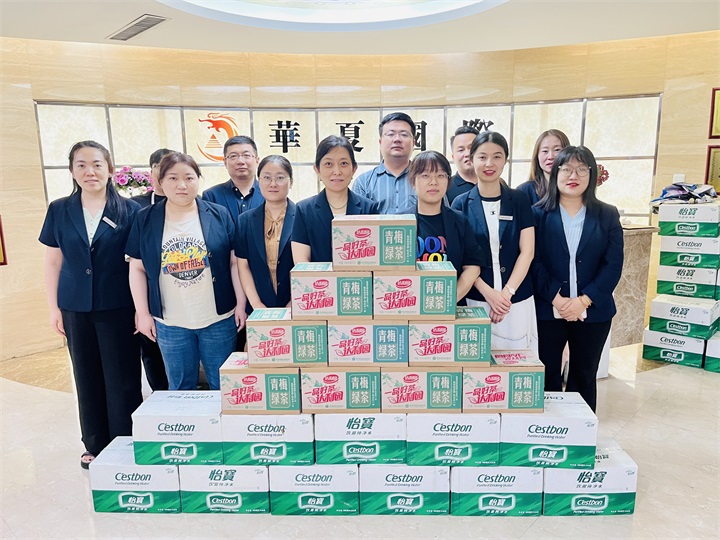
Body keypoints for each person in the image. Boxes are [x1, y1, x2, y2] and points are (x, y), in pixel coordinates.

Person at [40, 140, 142, 470]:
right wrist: (54, 307)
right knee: (85, 376)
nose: (90, 171)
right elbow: (53, 262)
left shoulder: (130, 210)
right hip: (75, 306)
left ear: (110, 170)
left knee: (122, 375)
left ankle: (125, 439)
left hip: (119, 305)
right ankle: (95, 443)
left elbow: (138, 264)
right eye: (81, 165)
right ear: (72, 171)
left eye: (97, 164)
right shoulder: (59, 209)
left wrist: (142, 309)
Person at [126, 152, 247, 391]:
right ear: (160, 181)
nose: (182, 185)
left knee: (224, 387)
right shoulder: (145, 218)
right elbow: (137, 268)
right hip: (170, 323)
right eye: (173, 178)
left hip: (218, 319)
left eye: (189, 178)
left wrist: (241, 304)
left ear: (197, 180)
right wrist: (143, 313)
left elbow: (234, 263)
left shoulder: (218, 214)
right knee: (181, 387)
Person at [532, 146, 623, 412]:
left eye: (582, 169)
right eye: (567, 169)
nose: (574, 176)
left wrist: (583, 300)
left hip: (594, 312)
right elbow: (533, 261)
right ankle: (547, 428)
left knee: (584, 374)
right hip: (548, 310)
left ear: (592, 174)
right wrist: (558, 299)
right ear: (555, 173)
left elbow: (613, 264)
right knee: (546, 374)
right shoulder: (537, 214)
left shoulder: (607, 214)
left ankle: (579, 431)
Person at [451, 131, 537, 352]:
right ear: (472, 159)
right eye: (482, 157)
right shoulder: (460, 203)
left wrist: (506, 294)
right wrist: (489, 293)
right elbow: (460, 257)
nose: (489, 163)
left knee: (517, 361)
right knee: (478, 360)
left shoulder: (519, 199)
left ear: (505, 159)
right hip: (477, 299)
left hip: (516, 299)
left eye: (497, 156)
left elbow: (527, 251)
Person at [399, 151, 483, 302]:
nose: (433, 182)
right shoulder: (399, 222)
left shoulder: (459, 220)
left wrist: (449, 300)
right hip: (408, 305)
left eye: (440, 175)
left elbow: (472, 266)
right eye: (425, 175)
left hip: (450, 304)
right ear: (413, 182)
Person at [293, 135, 378, 263]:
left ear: (354, 168)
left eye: (344, 163)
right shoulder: (304, 210)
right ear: (317, 169)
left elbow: (374, 259)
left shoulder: (369, 208)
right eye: (328, 164)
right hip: (315, 277)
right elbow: (301, 262)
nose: (337, 171)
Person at [131, 148, 172, 392]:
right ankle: (160, 394)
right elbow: (133, 260)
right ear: (152, 171)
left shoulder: (196, 204)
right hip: (147, 292)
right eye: (161, 166)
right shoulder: (136, 206)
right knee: (151, 349)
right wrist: (140, 309)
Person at [235, 155, 296, 311]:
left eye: (280, 178)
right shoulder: (245, 221)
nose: (273, 184)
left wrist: (295, 302)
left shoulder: (303, 217)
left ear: (291, 182)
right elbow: (243, 266)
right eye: (267, 177)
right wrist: (256, 304)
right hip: (258, 308)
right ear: (259, 181)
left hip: (297, 305)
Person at [351, 112, 417, 214]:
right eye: (391, 134)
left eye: (404, 134)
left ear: (413, 142)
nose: (397, 139)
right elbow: (356, 220)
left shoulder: (428, 179)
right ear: (380, 142)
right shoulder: (363, 183)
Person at [202, 135, 264, 219]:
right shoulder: (212, 196)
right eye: (233, 156)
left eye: (246, 155)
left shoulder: (270, 192)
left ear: (257, 160)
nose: (241, 161)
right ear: (225, 162)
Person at [516, 129, 570, 205]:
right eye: (545, 151)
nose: (550, 156)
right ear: (537, 156)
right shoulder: (524, 191)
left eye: (557, 150)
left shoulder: (574, 188)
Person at [446, 125, 480, 205]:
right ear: (453, 157)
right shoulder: (445, 187)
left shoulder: (494, 184)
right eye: (461, 150)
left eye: (471, 148)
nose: (467, 154)